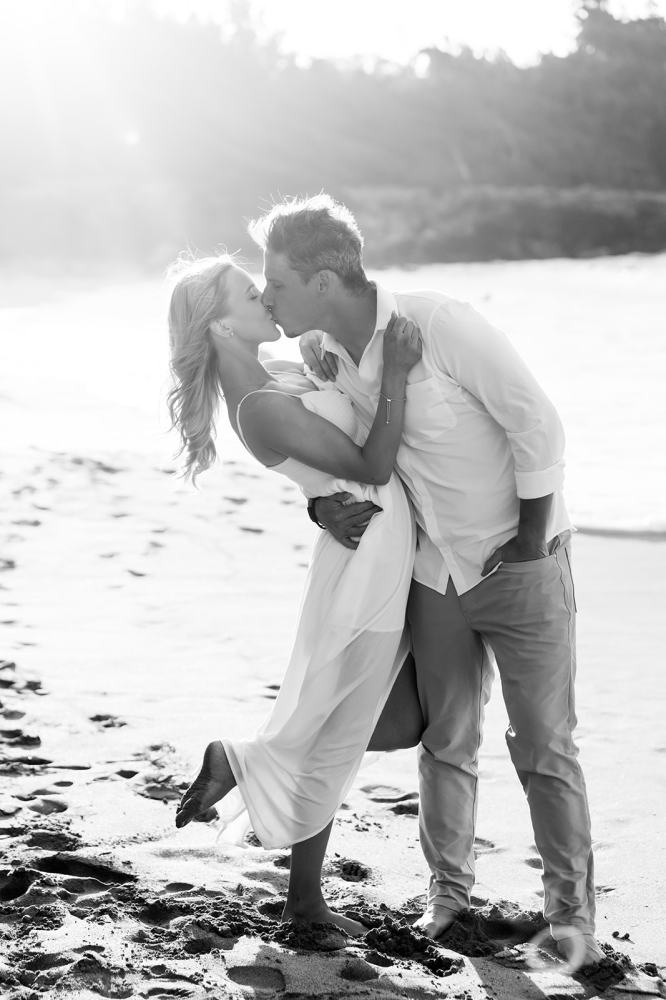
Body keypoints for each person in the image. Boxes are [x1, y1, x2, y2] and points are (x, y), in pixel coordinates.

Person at [250, 194, 603, 966]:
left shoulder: (439, 324)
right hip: (434, 571)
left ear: (325, 277)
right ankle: (449, 896)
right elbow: (313, 440)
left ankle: (571, 914)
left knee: (543, 743)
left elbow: (537, 422)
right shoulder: (327, 353)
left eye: (276, 281)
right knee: (447, 740)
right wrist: (317, 503)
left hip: (521, 557)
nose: (266, 296)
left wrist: (535, 540)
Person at [167, 253, 424, 935]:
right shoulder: (259, 407)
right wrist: (394, 370)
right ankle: (302, 896)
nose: (268, 299)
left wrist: (325, 360)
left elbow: (328, 460)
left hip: (372, 546)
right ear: (222, 327)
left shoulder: (274, 376)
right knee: (345, 729)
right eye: (252, 295)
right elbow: (372, 463)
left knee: (379, 725)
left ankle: (248, 769)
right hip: (366, 558)